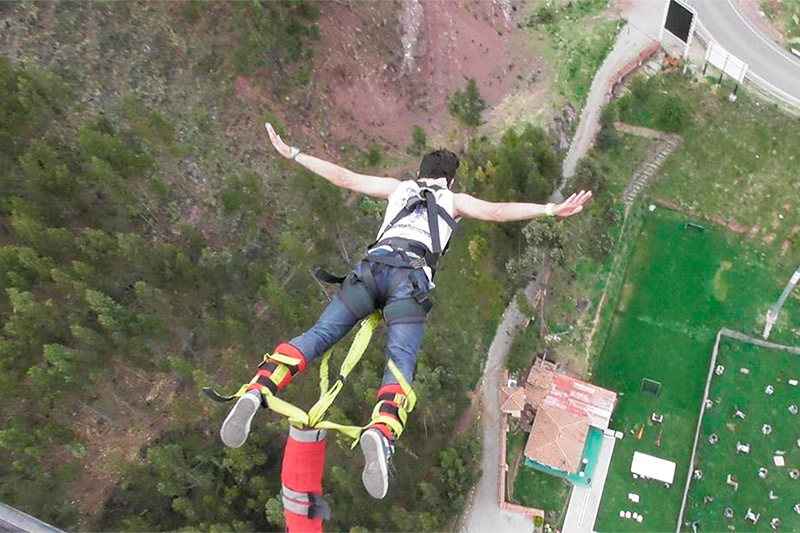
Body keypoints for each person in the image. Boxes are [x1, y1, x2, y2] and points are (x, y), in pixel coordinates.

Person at [220, 123, 592, 499]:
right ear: (449, 179)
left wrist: (295, 153)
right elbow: (496, 211)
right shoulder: (453, 200)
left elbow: (345, 178)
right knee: (400, 360)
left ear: (420, 172)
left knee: (319, 335)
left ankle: (260, 386)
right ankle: (381, 430)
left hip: (369, 271)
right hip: (408, 283)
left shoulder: (398, 189)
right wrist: (550, 209)